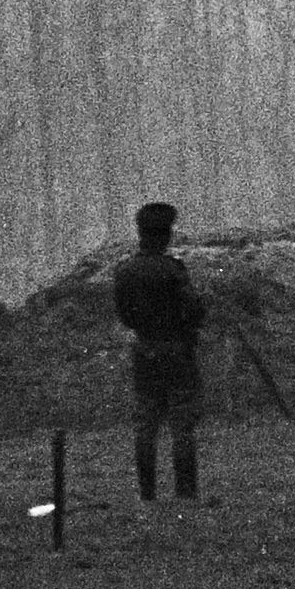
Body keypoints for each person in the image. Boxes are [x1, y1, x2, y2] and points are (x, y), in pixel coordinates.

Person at [110, 202, 206, 502]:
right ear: (165, 235)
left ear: (140, 233)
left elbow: (125, 316)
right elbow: (195, 311)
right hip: (177, 353)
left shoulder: (124, 272)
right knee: (182, 426)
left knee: (146, 426)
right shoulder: (174, 270)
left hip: (145, 352)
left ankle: (147, 493)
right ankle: (185, 493)